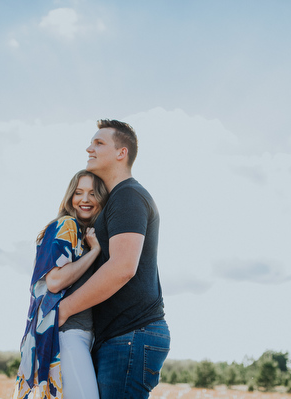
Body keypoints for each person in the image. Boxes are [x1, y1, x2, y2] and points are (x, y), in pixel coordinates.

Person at [58, 119, 170, 398]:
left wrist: (65, 309)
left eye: (98, 143)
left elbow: (122, 268)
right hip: (122, 336)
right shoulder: (116, 200)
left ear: (122, 153)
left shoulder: (128, 195)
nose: (89, 148)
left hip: (132, 333)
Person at [13, 170, 108, 399]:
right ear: (70, 197)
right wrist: (94, 251)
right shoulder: (66, 225)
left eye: (93, 194)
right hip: (66, 334)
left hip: (83, 335)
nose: (85, 199)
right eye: (79, 193)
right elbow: (54, 281)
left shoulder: (85, 233)